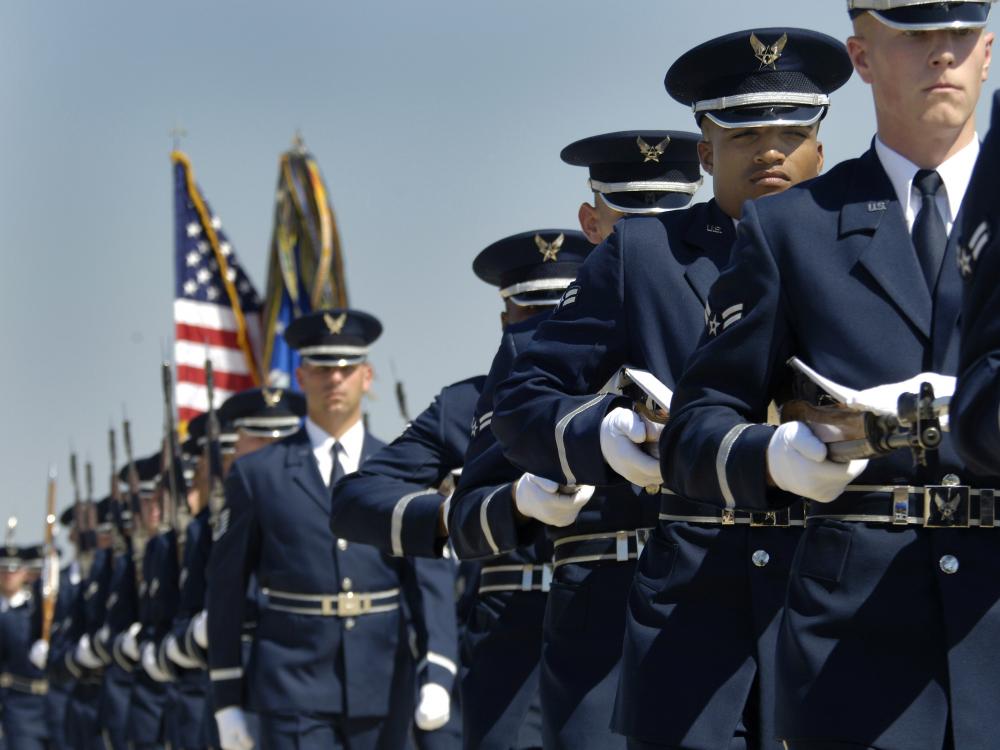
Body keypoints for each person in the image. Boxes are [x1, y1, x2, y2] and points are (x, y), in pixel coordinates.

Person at [490, 28, 851, 749]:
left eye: (790, 129)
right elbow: (523, 398)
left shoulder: (865, 244)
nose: (770, 149)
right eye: (744, 130)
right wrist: (604, 436)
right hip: (692, 612)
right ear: (704, 151)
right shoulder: (644, 255)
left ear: (821, 142)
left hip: (841, 600)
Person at [660, 4, 995, 748]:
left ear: (988, 49)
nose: (942, 55)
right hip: (857, 644)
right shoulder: (792, 228)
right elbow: (693, 429)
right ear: (864, 54)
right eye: (914, 34)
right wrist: (775, 457)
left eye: (960, 34)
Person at [207, 308, 450, 750]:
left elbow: (428, 578)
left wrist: (438, 669)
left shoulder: (403, 469)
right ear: (300, 377)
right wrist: (226, 698)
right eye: (320, 368)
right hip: (291, 684)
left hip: (382, 677)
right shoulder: (256, 475)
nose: (333, 380)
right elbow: (225, 590)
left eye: (345, 368)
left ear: (367, 376)